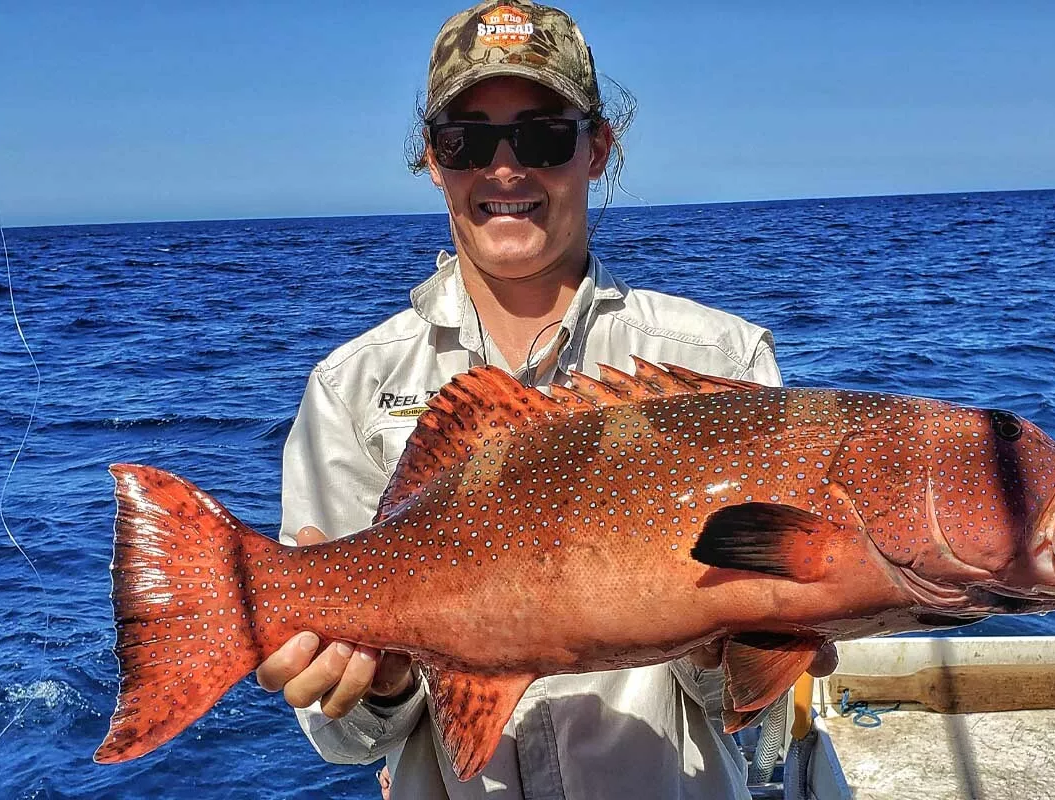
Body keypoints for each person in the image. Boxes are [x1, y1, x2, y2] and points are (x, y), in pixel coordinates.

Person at [256, 2, 836, 797]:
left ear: (598, 147)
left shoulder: (722, 361)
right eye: (468, 139)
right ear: (433, 157)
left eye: (543, 135)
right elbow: (348, 740)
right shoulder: (349, 389)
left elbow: (756, 715)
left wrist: (725, 650)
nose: (505, 169)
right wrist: (380, 684)